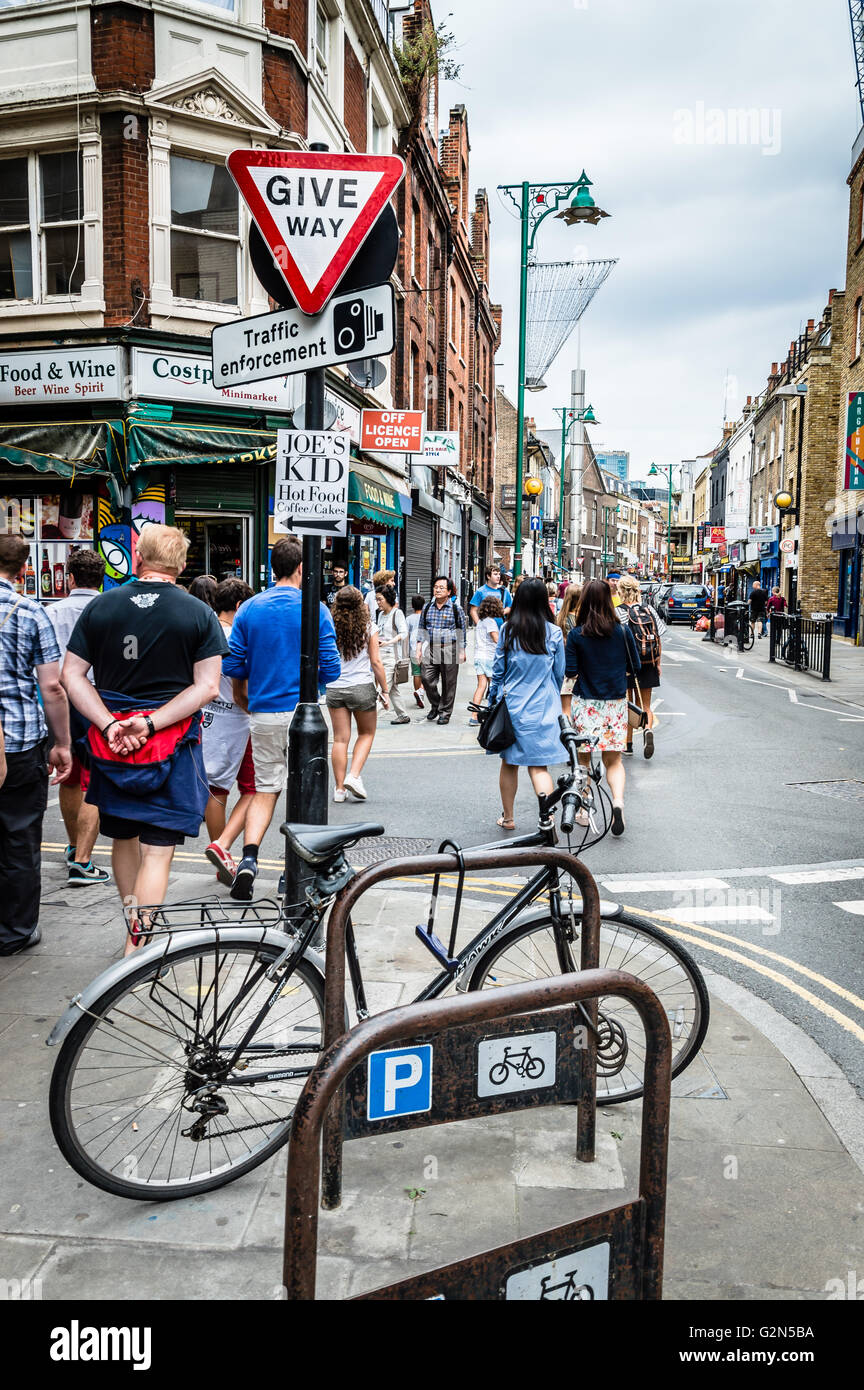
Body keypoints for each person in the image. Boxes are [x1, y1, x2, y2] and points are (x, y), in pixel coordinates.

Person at [62, 524, 226, 954]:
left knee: (122, 838)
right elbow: (208, 687)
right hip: (169, 744)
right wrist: (151, 723)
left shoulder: (101, 606)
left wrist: (108, 723)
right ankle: (140, 943)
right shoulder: (198, 613)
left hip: (112, 747)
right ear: (182, 564)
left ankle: (132, 930)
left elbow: (71, 676)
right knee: (157, 850)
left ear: (137, 560)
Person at [222, 535, 341, 901]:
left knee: (265, 788)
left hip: (263, 714)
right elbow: (332, 669)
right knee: (305, 794)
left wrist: (251, 694)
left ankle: (248, 860)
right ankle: (295, 873)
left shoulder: (249, 609)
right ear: (303, 568)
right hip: (303, 713)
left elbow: (232, 665)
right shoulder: (315, 608)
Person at [0, 535, 72, 956]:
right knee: (19, 837)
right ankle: (14, 931)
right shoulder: (29, 612)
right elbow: (52, 686)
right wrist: (61, 742)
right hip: (19, 743)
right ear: (25, 570)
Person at [47, 548, 111, 887]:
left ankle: (74, 849)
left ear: (69, 579)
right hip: (99, 701)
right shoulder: (110, 608)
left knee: (67, 775)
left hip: (58, 700)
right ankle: (82, 860)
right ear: (102, 579)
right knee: (96, 778)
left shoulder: (52, 612)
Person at [487, 577, 566, 831]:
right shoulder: (553, 632)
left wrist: (492, 700)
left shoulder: (508, 630)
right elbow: (559, 673)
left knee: (509, 763)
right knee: (538, 766)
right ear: (544, 601)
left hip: (513, 707)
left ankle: (508, 818)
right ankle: (548, 818)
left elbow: (498, 671)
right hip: (544, 708)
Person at [565, 578, 641, 838]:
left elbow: (570, 671)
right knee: (613, 760)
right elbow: (636, 667)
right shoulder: (622, 631)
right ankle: (617, 802)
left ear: (585, 601)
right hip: (615, 705)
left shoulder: (577, 635)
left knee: (584, 761)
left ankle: (585, 811)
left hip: (586, 704)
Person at [201, 578, 255, 885]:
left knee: (216, 789)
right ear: (239, 606)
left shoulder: (205, 634)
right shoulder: (238, 637)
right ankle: (223, 849)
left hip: (208, 718)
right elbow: (242, 689)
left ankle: (220, 855)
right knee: (257, 788)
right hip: (238, 719)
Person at [326, 586, 390, 801]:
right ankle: (353, 776)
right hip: (361, 687)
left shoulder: (330, 626)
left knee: (340, 739)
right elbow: (376, 661)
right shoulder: (369, 627)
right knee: (366, 734)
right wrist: (385, 690)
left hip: (335, 687)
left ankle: (339, 790)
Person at [616, 574, 664, 760]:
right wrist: (658, 663)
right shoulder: (649, 609)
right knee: (645, 705)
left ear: (621, 591)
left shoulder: (617, 612)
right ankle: (647, 730)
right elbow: (659, 636)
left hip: (626, 665)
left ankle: (627, 745)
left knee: (628, 705)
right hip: (648, 662)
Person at [416, 575, 468, 725]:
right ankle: (436, 705)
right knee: (426, 678)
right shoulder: (427, 608)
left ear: (449, 591)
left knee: (449, 683)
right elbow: (421, 629)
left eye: (441, 588)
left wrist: (462, 650)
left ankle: (445, 712)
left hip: (449, 648)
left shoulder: (456, 609)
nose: (438, 590)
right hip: (431, 648)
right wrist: (419, 648)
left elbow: (461, 630)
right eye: (436, 587)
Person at [375, 583, 411, 724]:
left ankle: (370, 718)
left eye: (380, 599)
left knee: (382, 689)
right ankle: (403, 715)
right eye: (376, 599)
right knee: (392, 688)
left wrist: (389, 642)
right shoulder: (380, 615)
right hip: (380, 655)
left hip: (392, 657)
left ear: (388, 599)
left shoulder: (397, 613)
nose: (377, 602)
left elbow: (404, 633)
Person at [470, 594, 504, 722]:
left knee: (481, 686)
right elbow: (497, 640)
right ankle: (494, 716)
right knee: (495, 687)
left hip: (479, 657)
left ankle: (474, 716)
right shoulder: (490, 622)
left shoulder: (480, 622)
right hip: (489, 658)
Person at [556, 583, 583, 720]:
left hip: (563, 667)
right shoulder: (582, 620)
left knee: (564, 708)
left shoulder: (559, 618)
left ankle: (565, 736)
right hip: (579, 667)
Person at [406, 594, 426, 709]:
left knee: (416, 673)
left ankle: (419, 693)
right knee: (427, 672)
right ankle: (422, 691)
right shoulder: (426, 616)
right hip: (426, 647)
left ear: (412, 606)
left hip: (414, 648)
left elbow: (406, 635)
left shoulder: (409, 619)